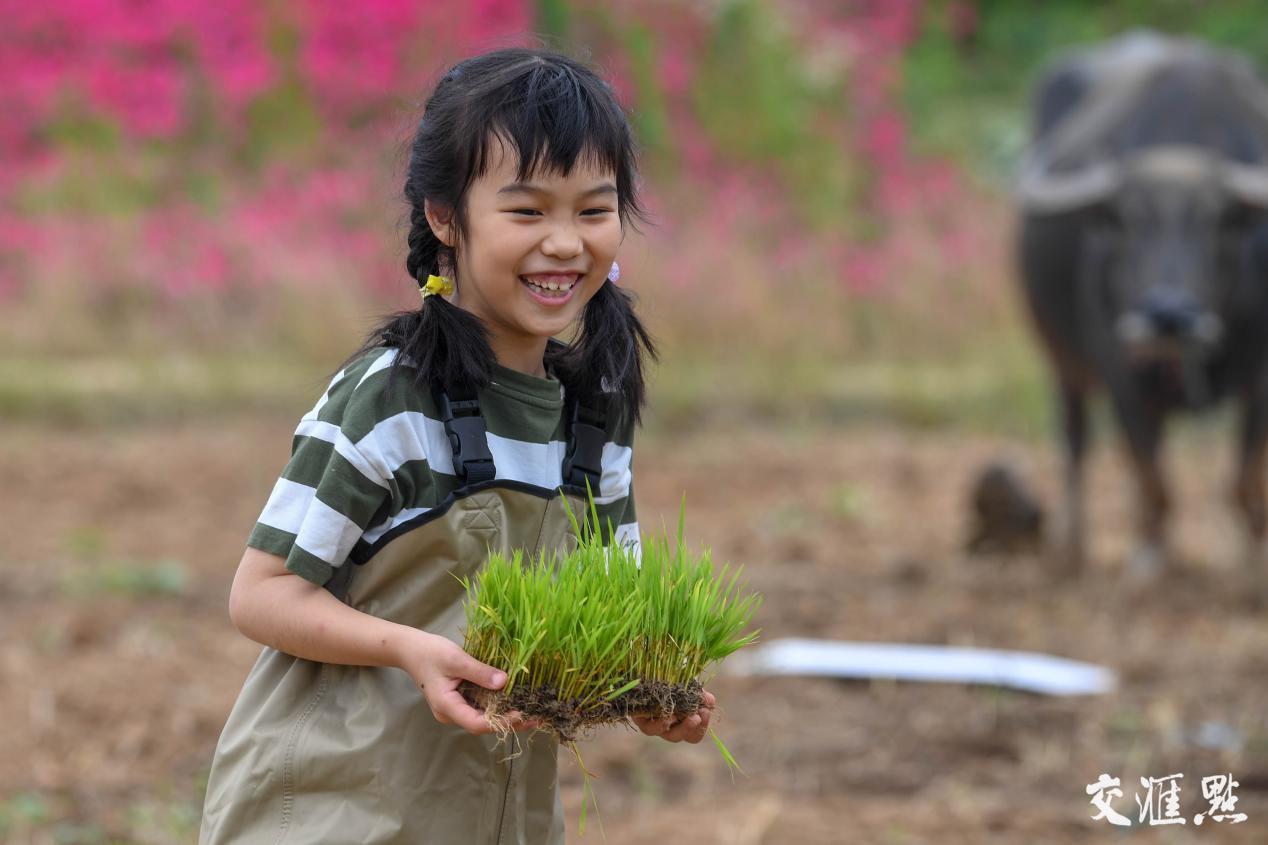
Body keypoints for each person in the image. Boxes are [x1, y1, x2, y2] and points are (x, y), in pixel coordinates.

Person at [198, 48, 717, 845]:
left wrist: (650, 689)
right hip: (335, 811)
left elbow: (612, 611)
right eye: (526, 211)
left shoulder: (594, 417)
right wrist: (411, 650)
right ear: (445, 217)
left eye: (592, 210)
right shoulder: (389, 398)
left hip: (495, 818)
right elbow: (262, 593)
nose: (565, 243)